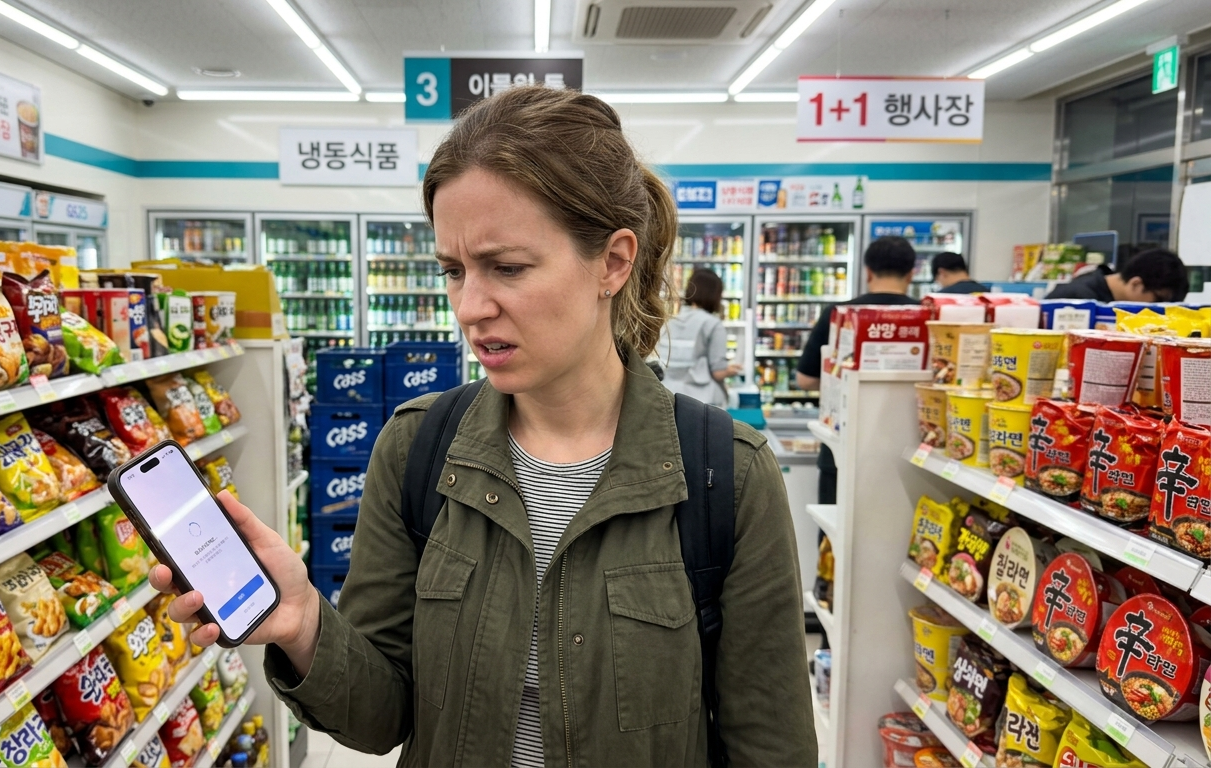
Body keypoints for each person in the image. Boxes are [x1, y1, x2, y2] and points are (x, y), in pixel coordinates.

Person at [152, 85, 817, 767]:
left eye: (507, 267)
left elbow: (772, 746)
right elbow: (381, 718)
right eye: (453, 270)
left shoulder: (725, 474)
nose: (470, 307)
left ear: (613, 262)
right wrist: (304, 626)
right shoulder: (417, 449)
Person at [795, 236, 920, 504]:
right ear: (911, 274)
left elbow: (805, 379)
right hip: (913, 449)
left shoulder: (838, 313)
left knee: (834, 538)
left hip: (843, 446)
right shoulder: (927, 316)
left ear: (868, 272)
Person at [657, 267, 744, 406]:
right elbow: (718, 372)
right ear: (715, 294)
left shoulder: (670, 322)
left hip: (667, 397)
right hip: (701, 401)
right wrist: (733, 370)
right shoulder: (713, 324)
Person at [1045, 247, 1188, 302]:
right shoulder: (1078, 299)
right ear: (1136, 284)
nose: (1159, 310)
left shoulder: (1106, 291)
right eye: (1158, 301)